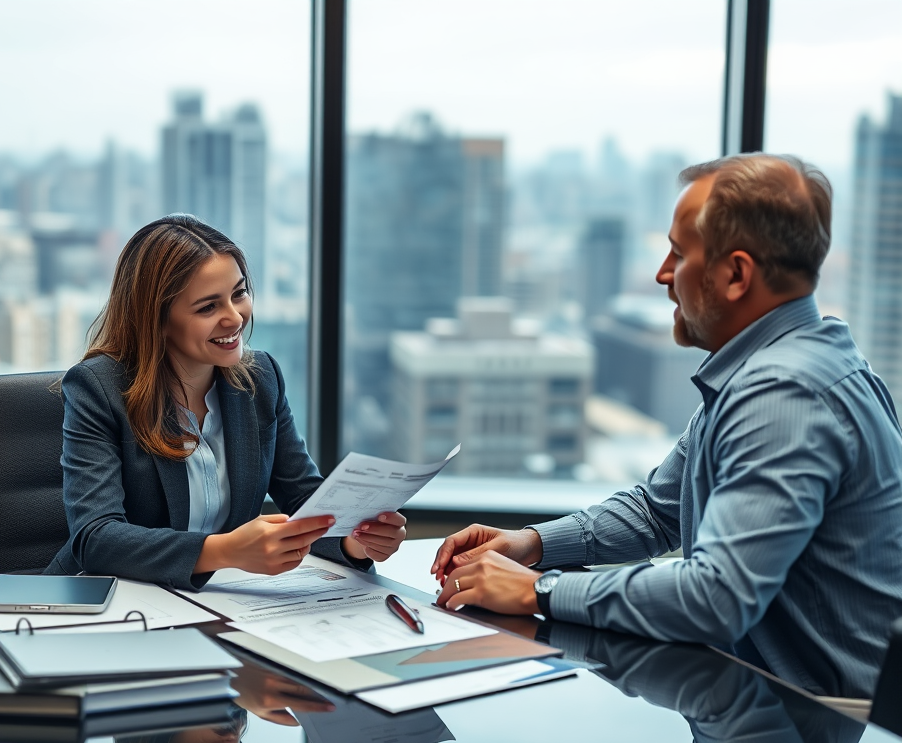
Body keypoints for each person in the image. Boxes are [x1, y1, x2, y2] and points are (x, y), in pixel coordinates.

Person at [431, 153, 902, 698]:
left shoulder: (785, 395)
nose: (662, 273)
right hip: (765, 709)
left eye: (678, 253)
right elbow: (658, 511)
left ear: (735, 274)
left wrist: (539, 591)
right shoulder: (778, 365)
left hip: (813, 723)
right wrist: (530, 544)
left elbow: (715, 598)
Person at [45, 214, 406, 590]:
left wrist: (357, 541)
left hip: (216, 602)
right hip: (111, 604)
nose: (234, 318)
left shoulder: (260, 378)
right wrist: (225, 551)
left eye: (239, 293)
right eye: (208, 307)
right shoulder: (98, 388)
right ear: (157, 319)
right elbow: (96, 537)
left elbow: (304, 500)